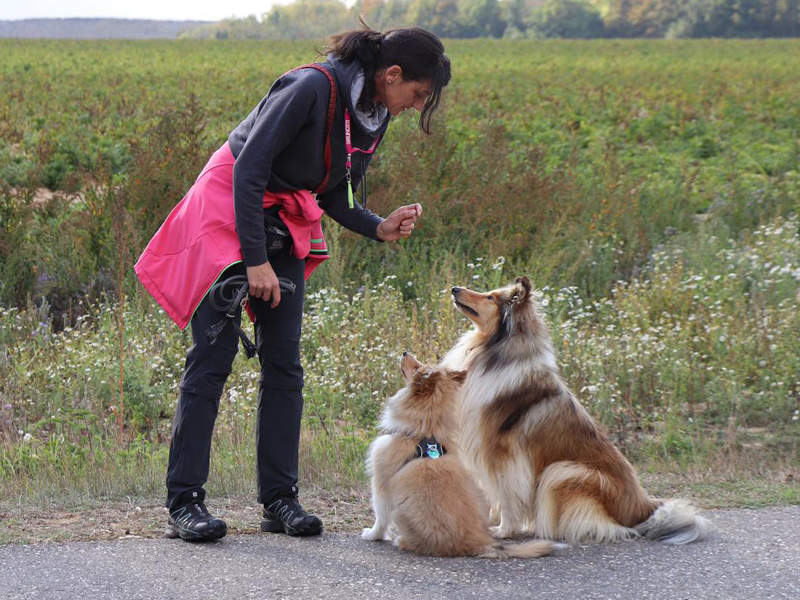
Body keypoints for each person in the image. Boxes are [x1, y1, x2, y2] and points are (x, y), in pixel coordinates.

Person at [133, 25, 451, 542]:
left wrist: (378, 226)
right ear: (391, 74)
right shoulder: (310, 87)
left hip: (283, 218)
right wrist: (254, 261)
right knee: (211, 362)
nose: (416, 106)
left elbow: (332, 194)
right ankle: (184, 503)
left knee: (285, 364)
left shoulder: (371, 115)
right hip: (228, 211)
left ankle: (279, 501)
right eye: (417, 94)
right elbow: (249, 170)